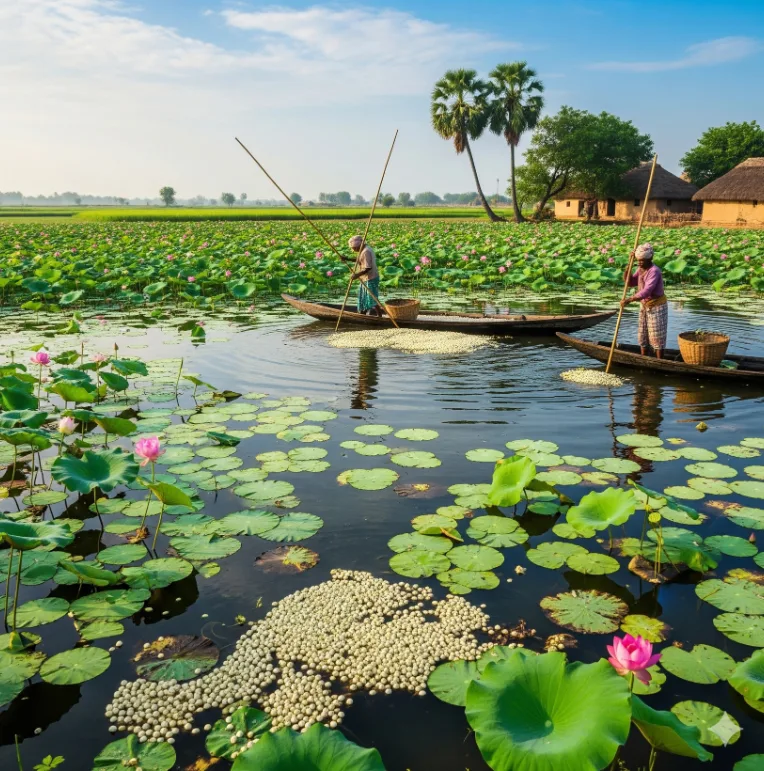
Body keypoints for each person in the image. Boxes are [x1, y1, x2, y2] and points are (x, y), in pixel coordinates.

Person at [621, 243, 667, 359]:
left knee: (657, 337)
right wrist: (629, 266)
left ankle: (659, 361)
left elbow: (647, 291)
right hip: (644, 305)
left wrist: (629, 299)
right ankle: (643, 359)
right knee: (642, 335)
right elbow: (630, 283)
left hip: (656, 306)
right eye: (638, 260)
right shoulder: (640, 269)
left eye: (642, 260)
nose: (640, 263)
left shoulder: (654, 271)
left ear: (650, 259)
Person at [349, 235, 382, 317]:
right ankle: (363, 314)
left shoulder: (366, 251)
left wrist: (356, 275)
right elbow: (359, 260)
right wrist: (346, 258)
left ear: (358, 246)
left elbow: (367, 268)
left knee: (372, 298)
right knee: (364, 297)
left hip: (370, 277)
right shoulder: (364, 249)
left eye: (354, 248)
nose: (353, 250)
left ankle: (380, 316)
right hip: (366, 278)